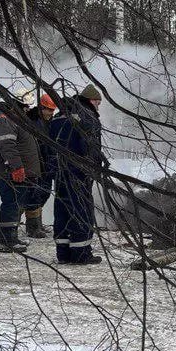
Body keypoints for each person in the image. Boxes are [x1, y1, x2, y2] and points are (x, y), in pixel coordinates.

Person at [49, 83, 104, 264]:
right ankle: (81, 254)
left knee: (62, 209)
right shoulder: (87, 117)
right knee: (81, 209)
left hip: (60, 172)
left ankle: (63, 254)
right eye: (97, 102)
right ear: (90, 100)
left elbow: (48, 146)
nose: (98, 106)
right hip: (79, 172)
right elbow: (90, 147)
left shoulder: (58, 117)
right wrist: (93, 169)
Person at [0, 91, 45, 253]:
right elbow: (7, 145)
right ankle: (6, 241)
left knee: (15, 204)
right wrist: (16, 167)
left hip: (15, 171)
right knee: (11, 204)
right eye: (25, 106)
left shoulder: (13, 117)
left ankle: (11, 237)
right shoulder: (4, 118)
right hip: (9, 172)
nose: (27, 109)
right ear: (18, 103)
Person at [21, 91, 58, 239]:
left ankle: (38, 224)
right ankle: (32, 227)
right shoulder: (33, 121)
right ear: (42, 107)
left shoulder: (49, 122)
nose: (51, 112)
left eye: (52, 110)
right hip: (36, 164)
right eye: (49, 109)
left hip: (48, 164)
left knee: (45, 194)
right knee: (34, 195)